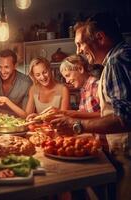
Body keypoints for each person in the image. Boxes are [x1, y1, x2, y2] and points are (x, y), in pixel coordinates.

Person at [48, 12, 131, 200]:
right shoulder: (120, 56)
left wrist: (77, 125)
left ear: (100, 38)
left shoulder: (117, 60)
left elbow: (124, 118)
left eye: (80, 44)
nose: (78, 51)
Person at [0, 49, 32, 117]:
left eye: (6, 67)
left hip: (13, 124)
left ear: (15, 66)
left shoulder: (26, 83)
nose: (2, 71)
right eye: (0, 67)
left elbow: (26, 115)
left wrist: (7, 101)